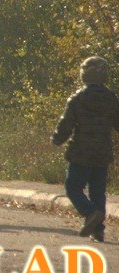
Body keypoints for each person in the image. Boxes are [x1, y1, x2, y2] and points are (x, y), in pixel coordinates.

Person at [52, 57, 119, 242]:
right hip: (102, 152)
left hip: (80, 152)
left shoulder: (78, 98)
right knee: (98, 191)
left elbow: (66, 124)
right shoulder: (111, 99)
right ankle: (98, 230)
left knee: (72, 187)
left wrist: (57, 138)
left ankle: (90, 213)